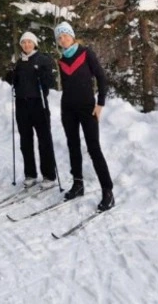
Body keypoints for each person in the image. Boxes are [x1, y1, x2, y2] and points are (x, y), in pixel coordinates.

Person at [54, 21, 115, 211]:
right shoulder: (62, 60)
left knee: (93, 148)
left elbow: (101, 77)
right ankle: (78, 183)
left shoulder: (86, 53)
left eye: (65, 35)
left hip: (88, 108)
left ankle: (107, 191)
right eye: (59, 37)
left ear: (72, 36)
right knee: (72, 146)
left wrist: (101, 103)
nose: (63, 39)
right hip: (68, 109)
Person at [5, 32, 57, 188]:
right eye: (23, 42)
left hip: (38, 103)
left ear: (35, 43)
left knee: (44, 140)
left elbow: (50, 83)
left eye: (29, 42)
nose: (26, 45)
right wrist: (11, 78)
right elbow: (16, 82)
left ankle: (48, 175)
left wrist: (43, 75)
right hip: (22, 104)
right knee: (25, 141)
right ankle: (30, 173)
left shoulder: (43, 59)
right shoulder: (19, 62)